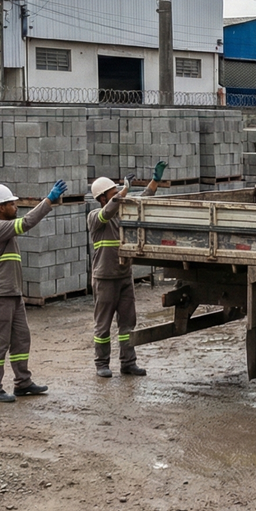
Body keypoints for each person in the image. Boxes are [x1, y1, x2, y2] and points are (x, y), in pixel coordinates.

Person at [0, 179, 67, 403]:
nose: (15, 206)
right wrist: (48, 201)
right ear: (1, 207)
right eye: (11, 203)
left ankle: (23, 382)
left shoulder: (4, 229)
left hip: (12, 293)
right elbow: (27, 222)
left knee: (21, 338)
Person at [87, 161, 166, 377]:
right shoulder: (95, 217)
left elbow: (142, 200)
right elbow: (107, 212)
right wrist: (123, 192)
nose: (119, 197)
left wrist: (155, 181)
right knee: (103, 325)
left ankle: (128, 363)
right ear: (102, 198)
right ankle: (101, 364)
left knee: (128, 323)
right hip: (105, 278)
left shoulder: (122, 213)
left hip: (124, 276)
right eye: (113, 194)